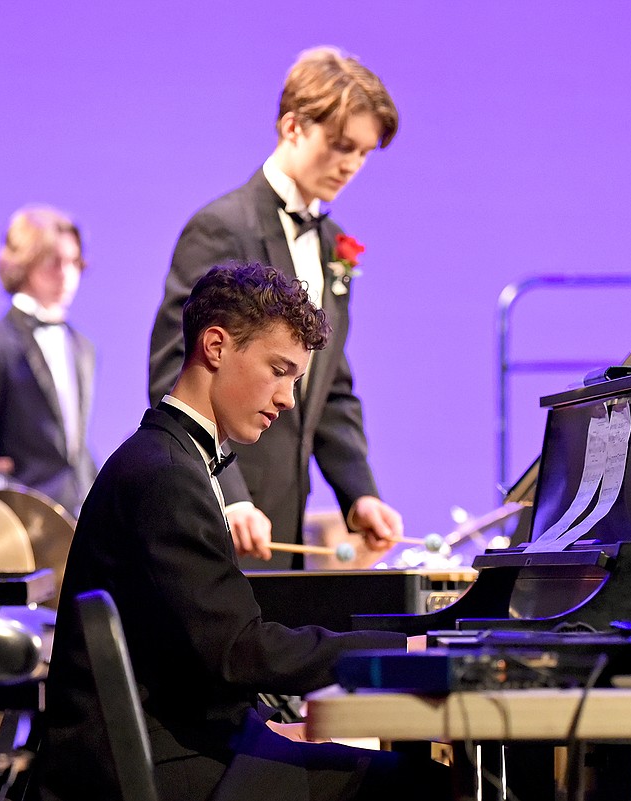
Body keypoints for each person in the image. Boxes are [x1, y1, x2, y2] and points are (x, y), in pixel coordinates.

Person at [38, 264, 450, 801]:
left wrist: (262, 729)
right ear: (216, 346)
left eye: (296, 380)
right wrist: (408, 651)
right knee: (426, 787)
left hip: (184, 740)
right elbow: (239, 650)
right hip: (162, 768)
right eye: (279, 370)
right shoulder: (164, 476)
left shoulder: (167, 459)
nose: (287, 400)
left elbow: (193, 654)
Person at [148, 46, 403, 569]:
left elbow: (327, 386)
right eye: (340, 145)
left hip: (284, 511)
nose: (351, 164)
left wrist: (360, 495)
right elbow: (177, 369)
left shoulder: (335, 245)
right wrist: (229, 493)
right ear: (292, 127)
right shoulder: (222, 227)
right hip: (217, 508)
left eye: (363, 152)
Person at [0, 204, 97, 517]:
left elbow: (72, 449)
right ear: (24, 262)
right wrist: (15, 500)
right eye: (53, 262)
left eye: (73, 262)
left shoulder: (81, 346)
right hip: (20, 529)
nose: (67, 275)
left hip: (81, 523)